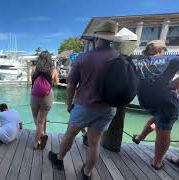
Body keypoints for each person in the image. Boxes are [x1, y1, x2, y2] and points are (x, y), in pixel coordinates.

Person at [48, 20, 118, 180]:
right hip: (109, 108)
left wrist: (68, 105)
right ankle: (87, 172)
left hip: (85, 105)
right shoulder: (118, 57)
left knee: (69, 135)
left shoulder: (84, 57)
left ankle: (59, 160)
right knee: (94, 142)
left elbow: (71, 85)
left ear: (96, 39)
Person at [132, 40, 179, 170]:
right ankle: (157, 162)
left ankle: (139, 138)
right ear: (160, 50)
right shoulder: (171, 59)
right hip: (166, 102)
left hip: (147, 102)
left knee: (156, 119)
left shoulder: (140, 62)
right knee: (164, 129)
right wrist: (176, 82)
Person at [30, 51, 59, 150]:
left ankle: (41, 136)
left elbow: (32, 82)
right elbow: (56, 82)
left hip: (34, 95)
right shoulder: (53, 69)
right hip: (47, 96)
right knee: (41, 121)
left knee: (35, 117)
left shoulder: (34, 69)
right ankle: (37, 141)